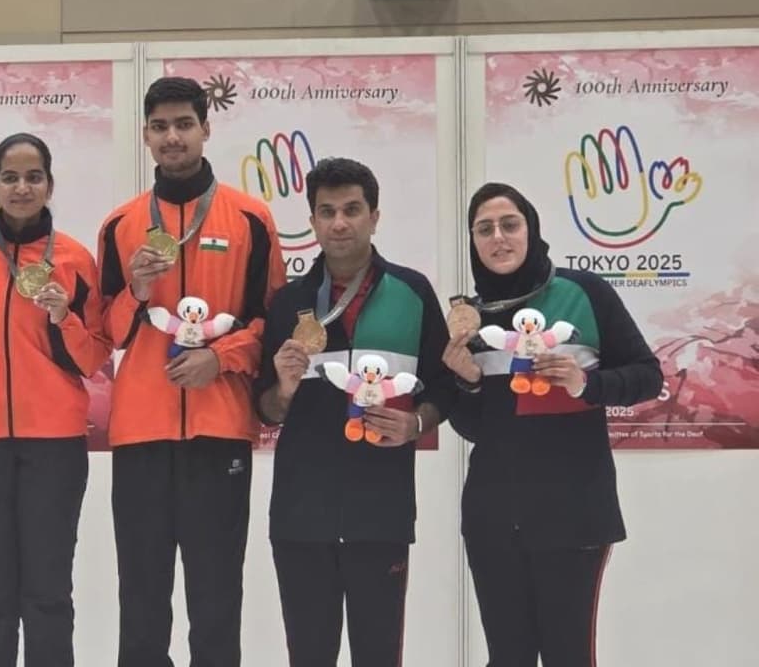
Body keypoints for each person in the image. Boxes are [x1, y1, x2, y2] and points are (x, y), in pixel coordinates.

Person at [96, 76, 286, 667]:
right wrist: (136, 290)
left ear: (206, 128)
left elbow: (271, 321)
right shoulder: (121, 224)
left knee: (216, 596)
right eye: (160, 127)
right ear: (146, 136)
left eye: (183, 124)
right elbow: (106, 333)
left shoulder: (251, 218)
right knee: (141, 597)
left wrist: (220, 358)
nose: (172, 137)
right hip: (140, 433)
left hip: (219, 428)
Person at [443, 182, 662, 667]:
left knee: (569, 657)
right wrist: (468, 383)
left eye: (509, 224)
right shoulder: (472, 319)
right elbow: (478, 429)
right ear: (473, 241)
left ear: (531, 230)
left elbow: (649, 377)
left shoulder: (585, 292)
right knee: (508, 658)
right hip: (493, 518)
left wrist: (587, 384)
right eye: (484, 229)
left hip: (574, 515)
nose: (498, 237)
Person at [254, 157, 455, 667]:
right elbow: (266, 410)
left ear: (374, 216)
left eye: (351, 210)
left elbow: (445, 386)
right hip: (301, 515)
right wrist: (284, 389)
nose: (339, 223)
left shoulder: (413, 293)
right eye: (327, 212)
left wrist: (416, 423)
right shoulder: (288, 303)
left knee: (378, 655)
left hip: (380, 512)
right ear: (313, 221)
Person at [0, 132, 111, 667]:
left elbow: (94, 357)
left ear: (50, 185)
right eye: (10, 177)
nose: (22, 188)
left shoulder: (74, 259)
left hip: (53, 444)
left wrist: (63, 317)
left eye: (33, 177)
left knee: (48, 591)